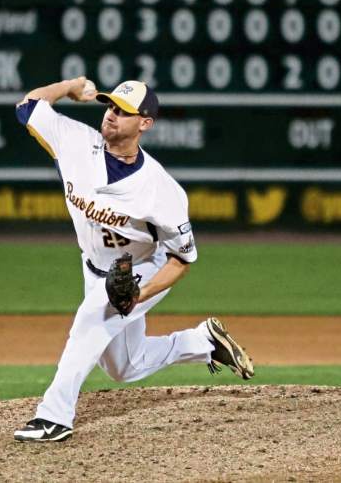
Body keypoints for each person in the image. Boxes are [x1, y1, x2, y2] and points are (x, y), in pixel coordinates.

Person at [13, 77, 254, 442]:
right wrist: (72, 86)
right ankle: (203, 343)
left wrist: (138, 295)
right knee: (124, 366)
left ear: (145, 123)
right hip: (93, 268)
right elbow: (27, 105)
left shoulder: (162, 190)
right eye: (110, 106)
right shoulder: (75, 141)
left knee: (88, 324)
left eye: (124, 112)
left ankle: (53, 417)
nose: (111, 116)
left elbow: (182, 260)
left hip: (142, 270)